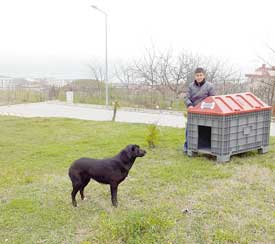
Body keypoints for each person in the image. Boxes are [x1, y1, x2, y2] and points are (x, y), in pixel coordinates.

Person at [183, 67, 215, 153]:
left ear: (204, 75)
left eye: (201, 75)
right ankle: (187, 148)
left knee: (206, 130)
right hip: (193, 111)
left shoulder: (210, 86)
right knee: (189, 129)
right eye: (197, 75)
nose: (199, 77)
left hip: (206, 111)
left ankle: (205, 146)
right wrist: (189, 105)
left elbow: (213, 99)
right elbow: (186, 97)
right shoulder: (191, 86)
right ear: (195, 76)